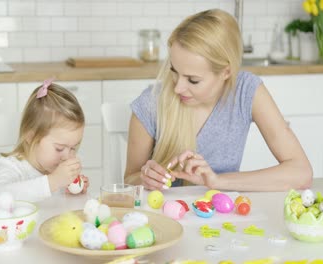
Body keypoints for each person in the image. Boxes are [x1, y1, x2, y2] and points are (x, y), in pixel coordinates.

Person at [124, 9, 312, 192]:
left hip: (222, 217)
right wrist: (144, 178)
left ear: (226, 72)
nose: (178, 87)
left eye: (193, 80)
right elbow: (129, 179)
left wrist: (217, 181)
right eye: (174, 71)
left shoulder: (245, 91)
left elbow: (301, 173)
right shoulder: (151, 103)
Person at [0, 78, 89, 202]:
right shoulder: (13, 167)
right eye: (59, 148)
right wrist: (53, 182)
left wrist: (72, 192)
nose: (67, 157)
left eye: (73, 148)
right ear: (31, 137)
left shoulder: (55, 167)